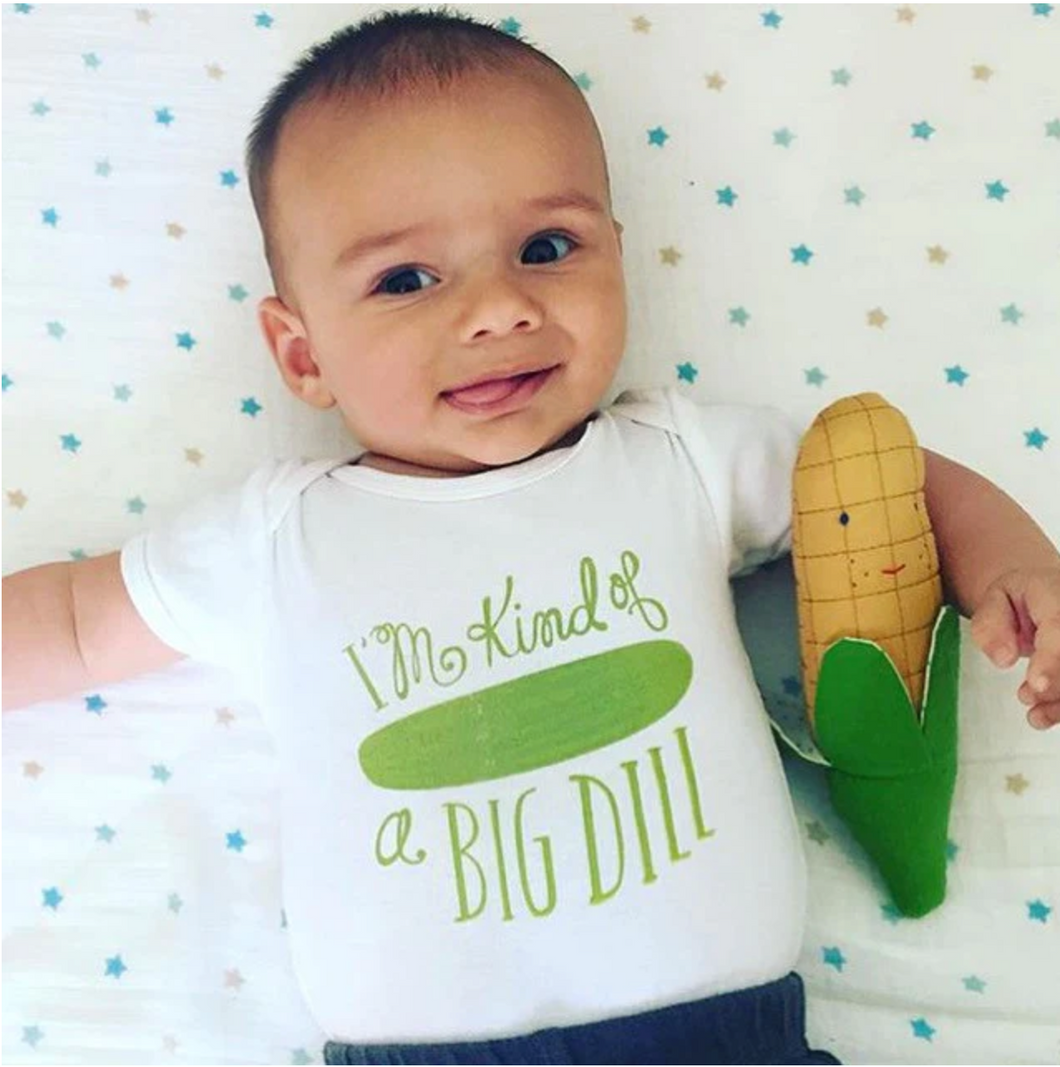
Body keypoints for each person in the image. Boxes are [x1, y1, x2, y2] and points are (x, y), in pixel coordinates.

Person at [4, 9, 1059, 1066]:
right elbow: (70, 622)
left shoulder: (674, 456)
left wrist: (1014, 560)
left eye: (547, 248)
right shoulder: (278, 537)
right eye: (406, 279)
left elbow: (882, 476)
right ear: (300, 352)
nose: (500, 306)